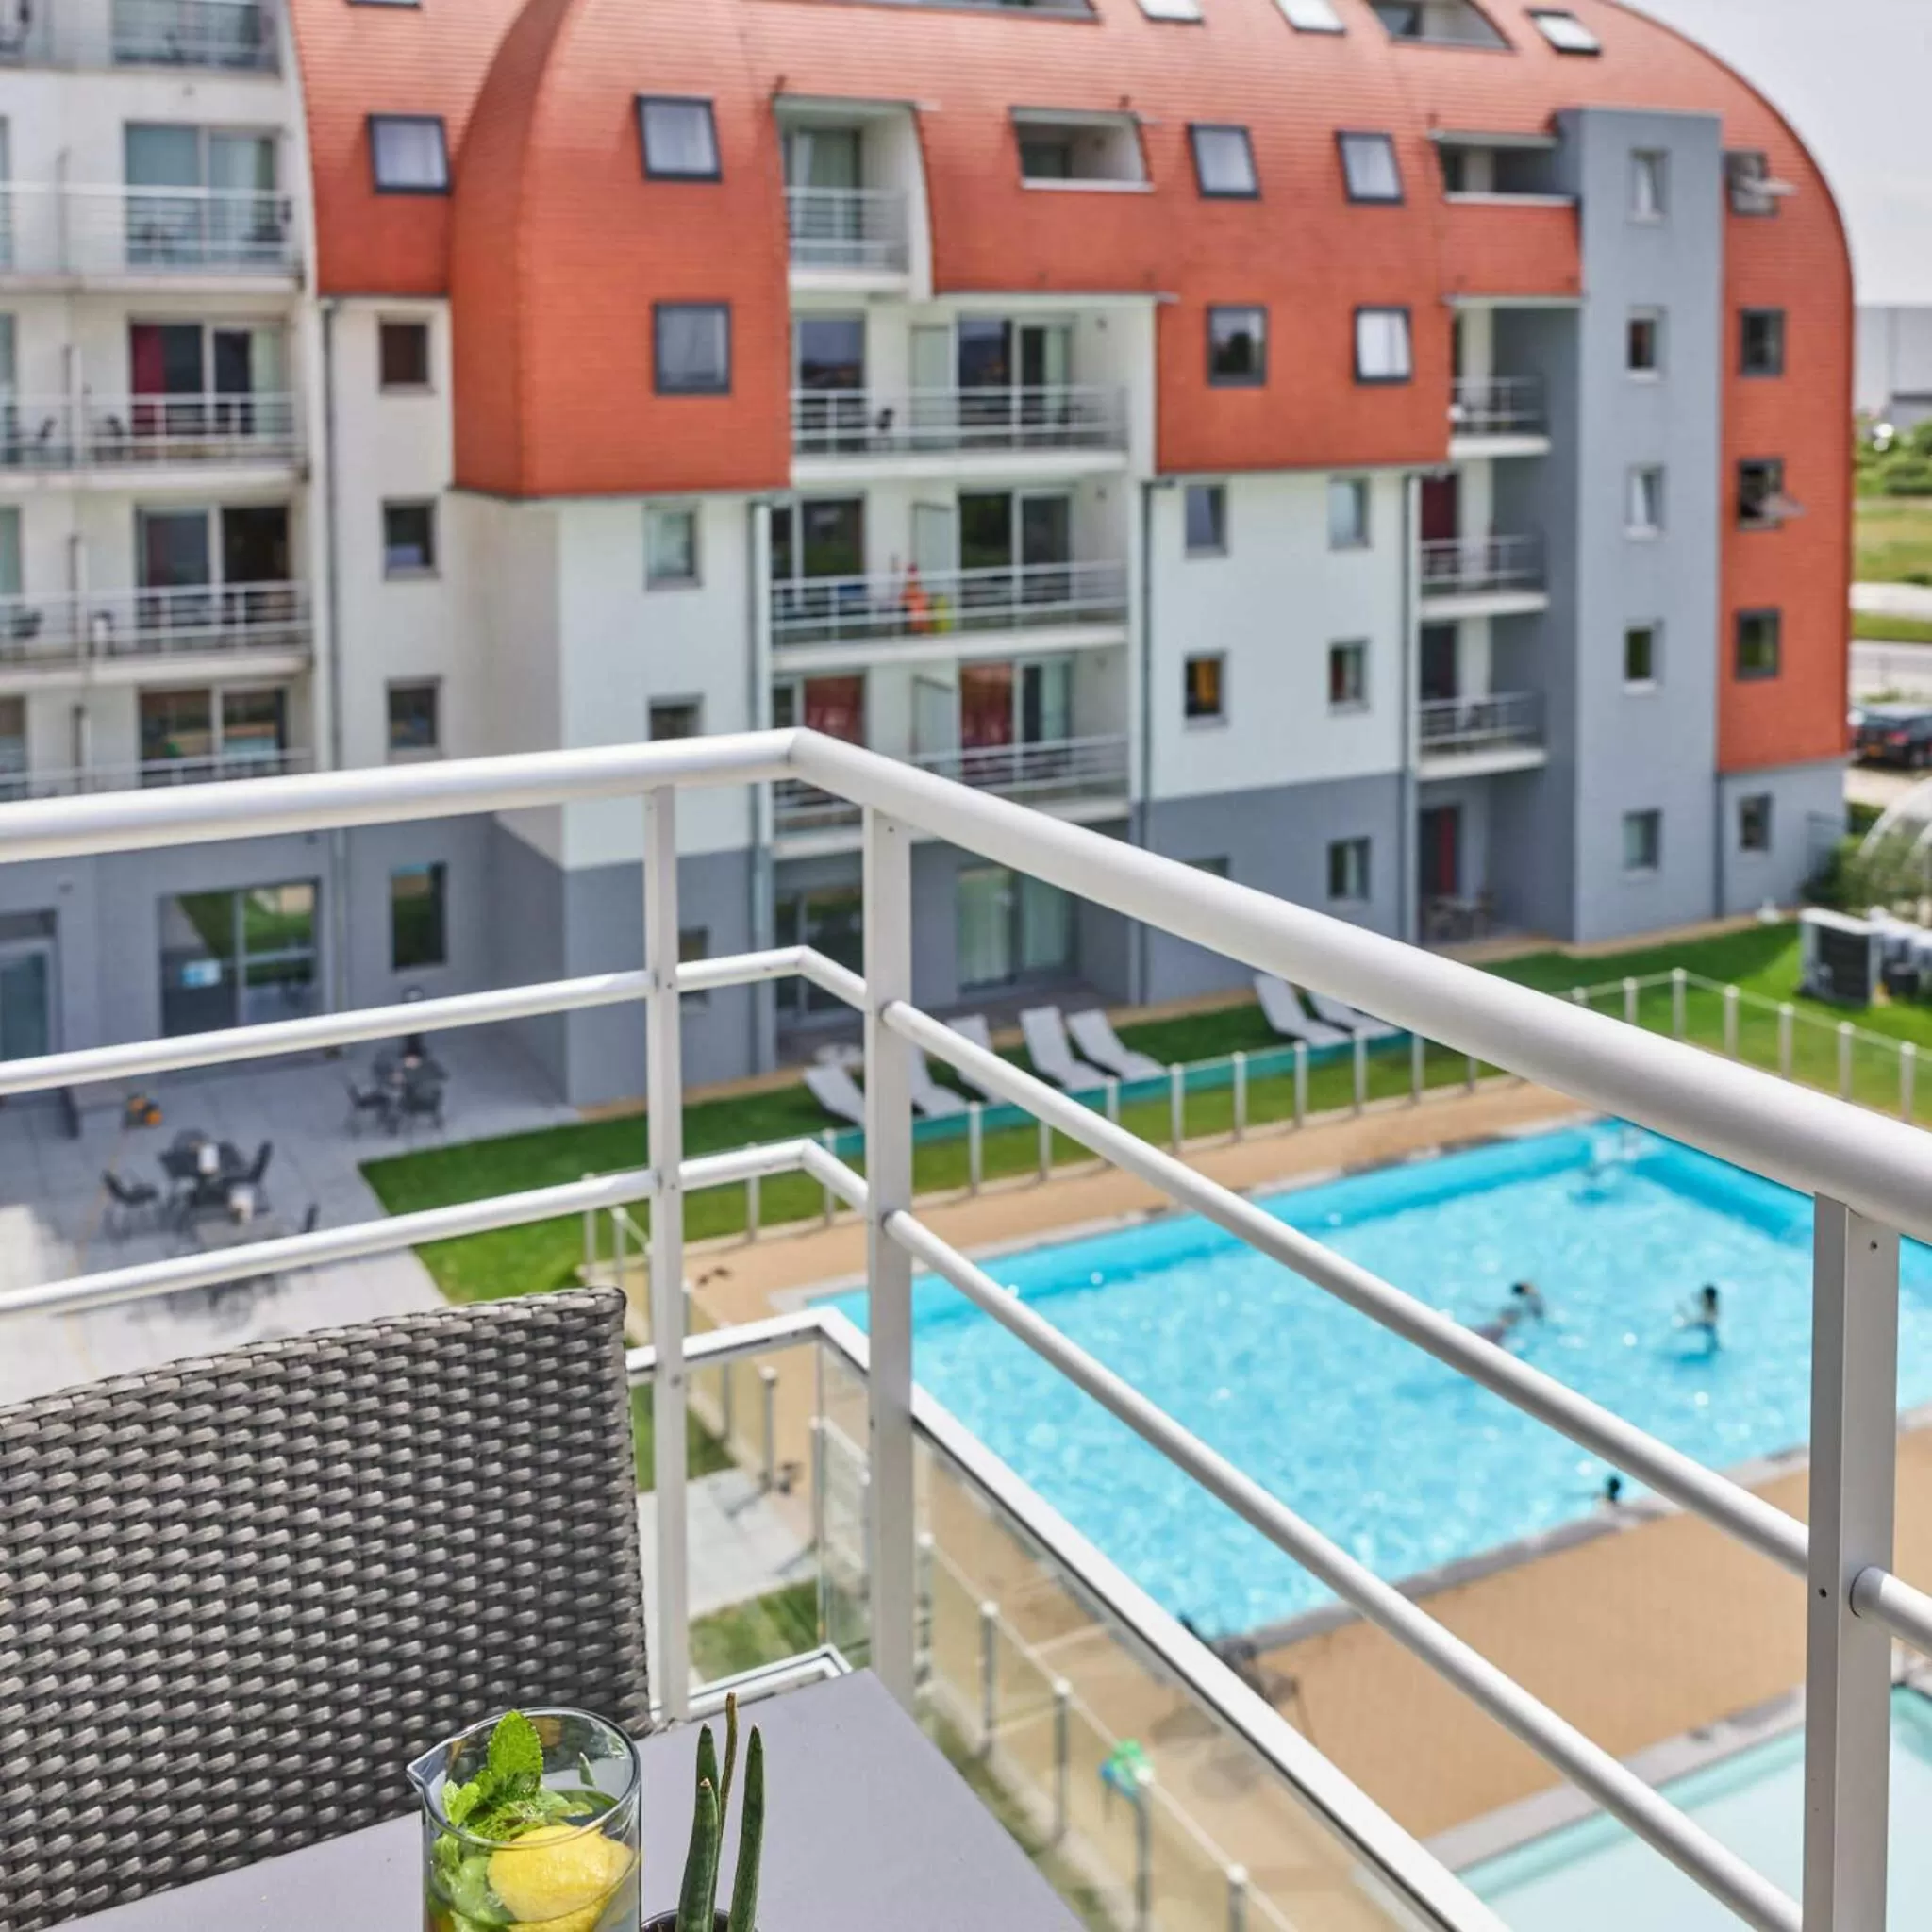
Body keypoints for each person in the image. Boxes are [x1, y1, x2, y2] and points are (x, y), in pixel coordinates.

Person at [1679, 1283, 1721, 1350]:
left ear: (1708, 1298)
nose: (1701, 1298)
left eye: (1703, 1296)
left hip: (1709, 1332)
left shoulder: (1712, 1310)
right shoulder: (1709, 1305)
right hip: (1707, 1331)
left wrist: (1685, 1315)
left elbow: (1706, 1321)